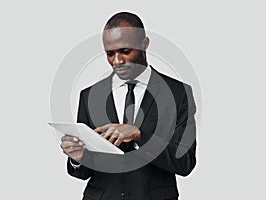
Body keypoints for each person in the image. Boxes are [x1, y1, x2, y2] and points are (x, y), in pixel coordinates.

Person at [61, 12, 197, 200]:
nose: (117, 61)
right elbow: (83, 173)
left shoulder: (178, 93)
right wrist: (77, 158)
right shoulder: (89, 95)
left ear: (144, 44)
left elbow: (185, 163)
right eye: (110, 54)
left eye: (125, 51)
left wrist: (139, 135)